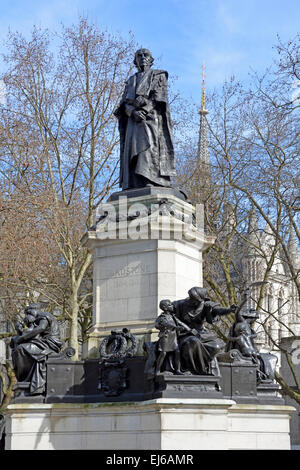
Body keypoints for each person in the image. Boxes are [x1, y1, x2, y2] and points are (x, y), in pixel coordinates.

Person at [114, 48, 176, 190]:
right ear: (135, 60)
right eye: (139, 55)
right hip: (133, 121)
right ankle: (135, 182)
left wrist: (144, 110)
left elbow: (159, 98)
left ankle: (151, 178)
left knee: (149, 150)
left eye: (145, 55)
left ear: (151, 59)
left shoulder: (158, 75)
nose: (142, 57)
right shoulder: (131, 81)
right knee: (132, 151)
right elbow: (123, 105)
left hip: (150, 120)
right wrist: (131, 112)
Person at [172, 287, 237, 375]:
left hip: (201, 333)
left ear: (200, 299)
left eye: (194, 299)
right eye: (190, 297)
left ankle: (207, 368)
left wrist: (229, 310)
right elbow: (167, 313)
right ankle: (194, 370)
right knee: (193, 342)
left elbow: (218, 310)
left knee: (217, 346)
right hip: (184, 334)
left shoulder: (206, 305)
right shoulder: (179, 304)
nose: (191, 300)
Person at [10, 304, 64, 395]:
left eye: (28, 313)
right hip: (44, 341)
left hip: (50, 343)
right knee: (17, 350)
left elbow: (41, 328)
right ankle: (24, 380)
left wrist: (22, 338)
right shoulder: (39, 319)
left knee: (21, 349)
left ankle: (24, 379)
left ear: (33, 311)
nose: (27, 316)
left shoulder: (43, 316)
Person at [154, 300, 185, 375]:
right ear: (165, 308)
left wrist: (185, 328)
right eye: (170, 305)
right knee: (163, 353)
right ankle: (157, 371)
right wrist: (163, 326)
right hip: (166, 337)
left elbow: (180, 323)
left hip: (173, 337)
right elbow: (156, 325)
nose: (172, 306)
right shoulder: (161, 317)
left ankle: (178, 370)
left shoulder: (173, 316)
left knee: (177, 352)